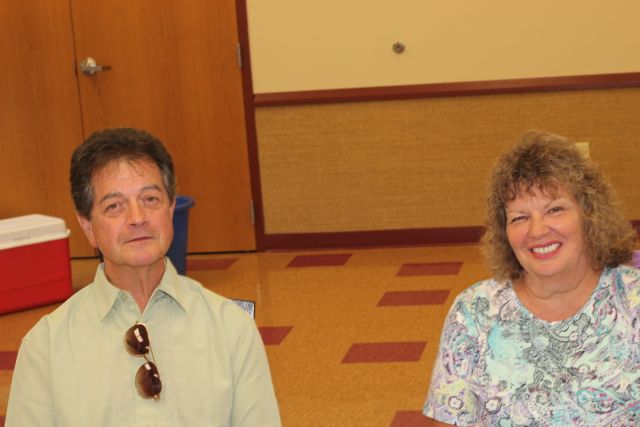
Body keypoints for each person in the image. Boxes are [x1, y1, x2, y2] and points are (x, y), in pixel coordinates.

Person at [6, 128, 281, 426]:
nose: (137, 218)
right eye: (114, 206)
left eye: (150, 199)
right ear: (87, 226)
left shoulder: (231, 329)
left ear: (171, 209)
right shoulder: (46, 346)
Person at [423, 130, 640, 426]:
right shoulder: (474, 313)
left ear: (590, 215)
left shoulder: (633, 302)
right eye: (520, 218)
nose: (537, 231)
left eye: (555, 210)